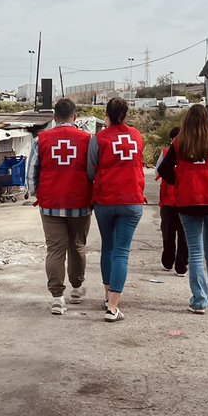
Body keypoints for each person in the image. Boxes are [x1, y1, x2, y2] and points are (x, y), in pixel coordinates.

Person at [156, 104, 208, 314]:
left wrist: (179, 181)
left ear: (187, 121)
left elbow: (163, 169)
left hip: (188, 201)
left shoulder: (180, 143)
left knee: (196, 250)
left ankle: (199, 300)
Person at [27, 98, 93, 315]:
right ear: (75, 117)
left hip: (51, 204)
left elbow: (32, 173)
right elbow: (93, 171)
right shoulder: (88, 139)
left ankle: (57, 299)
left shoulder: (40, 140)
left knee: (55, 250)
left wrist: (38, 193)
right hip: (80, 202)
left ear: (54, 117)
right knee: (77, 246)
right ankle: (76, 289)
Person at [87, 96, 145, 322]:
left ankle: (107, 295)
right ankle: (113, 307)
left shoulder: (98, 138)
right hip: (131, 198)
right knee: (122, 251)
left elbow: (91, 170)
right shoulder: (137, 136)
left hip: (105, 200)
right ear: (126, 114)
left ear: (107, 114)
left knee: (108, 248)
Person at [156, 127, 188, 276]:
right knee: (182, 234)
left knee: (169, 233)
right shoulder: (190, 152)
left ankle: (169, 262)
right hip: (183, 201)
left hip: (170, 201)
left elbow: (158, 171)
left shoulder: (165, 153)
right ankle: (180, 265)